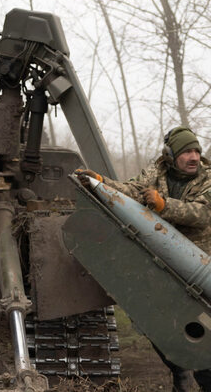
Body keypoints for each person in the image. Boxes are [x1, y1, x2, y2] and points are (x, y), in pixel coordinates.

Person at [77, 126, 211, 392]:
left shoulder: (207, 178)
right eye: (186, 152)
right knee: (157, 326)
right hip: (163, 268)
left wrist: (164, 205)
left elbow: (203, 213)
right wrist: (101, 182)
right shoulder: (157, 172)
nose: (194, 157)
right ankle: (179, 374)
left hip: (198, 271)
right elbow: (134, 190)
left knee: (201, 333)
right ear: (171, 155)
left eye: (196, 150)